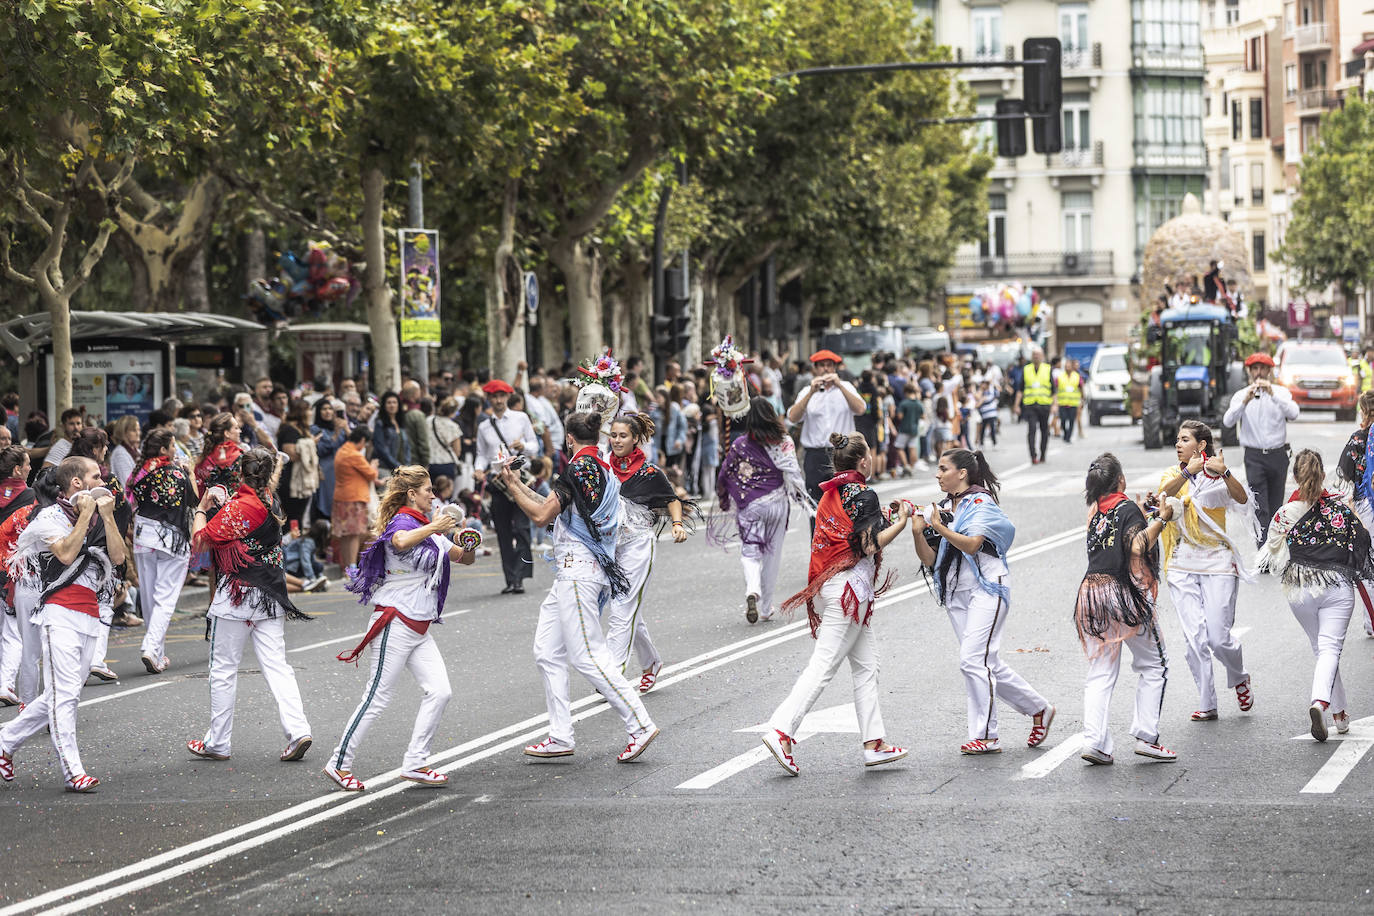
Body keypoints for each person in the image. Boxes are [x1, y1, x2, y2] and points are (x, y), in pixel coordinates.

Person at [497, 411, 659, 763]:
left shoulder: (578, 470)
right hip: (575, 573)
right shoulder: (596, 466)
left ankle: (640, 725)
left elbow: (541, 515)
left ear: (569, 439)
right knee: (546, 651)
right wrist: (516, 482)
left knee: (588, 656)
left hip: (579, 573)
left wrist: (511, 485)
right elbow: (548, 505)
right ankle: (560, 735)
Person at [761, 432, 909, 775]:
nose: (872, 459)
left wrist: (885, 515)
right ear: (863, 462)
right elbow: (869, 544)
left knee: (867, 666)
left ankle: (874, 743)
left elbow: (854, 531)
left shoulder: (830, 493)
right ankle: (782, 729)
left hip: (833, 584)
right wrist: (900, 523)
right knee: (824, 665)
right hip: (849, 589)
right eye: (870, 454)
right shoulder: (864, 494)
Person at [324, 467, 476, 791]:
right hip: (395, 623)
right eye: (427, 490)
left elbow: (463, 558)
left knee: (440, 691)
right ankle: (339, 763)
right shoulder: (404, 524)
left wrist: (469, 540)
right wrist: (437, 526)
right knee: (376, 697)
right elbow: (400, 541)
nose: (433, 496)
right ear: (412, 495)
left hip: (419, 628)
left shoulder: (427, 527)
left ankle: (416, 762)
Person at [914, 448, 1054, 754]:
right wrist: (918, 532)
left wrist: (938, 526)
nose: (937, 474)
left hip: (987, 588)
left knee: (972, 661)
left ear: (961, 473)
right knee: (985, 662)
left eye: (942, 468)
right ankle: (1039, 709)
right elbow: (931, 559)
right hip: (957, 592)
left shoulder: (981, 502)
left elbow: (974, 544)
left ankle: (987, 735)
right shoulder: (942, 507)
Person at [0, 456, 125, 791]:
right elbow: (67, 554)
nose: (105, 479)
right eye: (97, 475)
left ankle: (6, 740)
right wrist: (85, 514)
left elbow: (118, 557)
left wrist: (108, 517)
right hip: (58, 615)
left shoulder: (100, 518)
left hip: (89, 616)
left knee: (60, 693)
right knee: (65, 695)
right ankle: (73, 770)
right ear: (77, 484)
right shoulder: (47, 519)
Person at [187, 447, 313, 763]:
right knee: (277, 665)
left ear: (241, 473)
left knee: (224, 669)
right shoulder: (271, 501)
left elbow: (202, 538)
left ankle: (218, 742)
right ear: (268, 476)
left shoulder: (240, 507)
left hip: (237, 593)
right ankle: (298, 730)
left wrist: (201, 509)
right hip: (271, 592)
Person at [1259, 449, 1372, 742]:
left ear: (1294, 477)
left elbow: (1272, 555)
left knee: (1322, 650)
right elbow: (1362, 540)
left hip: (1300, 590)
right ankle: (1320, 702)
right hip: (1337, 587)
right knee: (1330, 649)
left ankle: (1340, 714)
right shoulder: (1341, 506)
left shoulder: (1284, 514)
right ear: (1323, 475)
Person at [1075, 453, 1178, 765]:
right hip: (1123, 595)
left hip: (1091, 593)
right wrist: (1161, 518)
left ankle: (1095, 742)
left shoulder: (1095, 510)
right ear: (1120, 480)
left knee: (1100, 671)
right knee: (1153, 665)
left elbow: (1121, 534)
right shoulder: (1127, 508)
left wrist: (1144, 515)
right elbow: (1137, 546)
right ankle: (1147, 737)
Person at [1157, 420, 1256, 721]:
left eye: (1184, 439)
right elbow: (1164, 494)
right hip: (1183, 561)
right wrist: (1190, 471)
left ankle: (1239, 676)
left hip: (1217, 561)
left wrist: (1224, 473)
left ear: (1200, 445)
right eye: (1177, 439)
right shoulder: (1176, 474)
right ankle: (1207, 702)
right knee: (1194, 637)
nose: (1177, 444)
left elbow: (1242, 498)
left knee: (1217, 637)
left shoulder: (1217, 476)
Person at [603, 414, 690, 694]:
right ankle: (651, 662)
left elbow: (672, 500)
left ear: (636, 439)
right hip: (608, 546)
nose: (617, 440)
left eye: (623, 436)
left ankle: (612, 676)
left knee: (622, 608)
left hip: (638, 544)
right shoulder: (602, 467)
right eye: (613, 435)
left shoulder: (650, 473)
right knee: (629, 609)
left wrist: (677, 525)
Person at [710, 398, 813, 624]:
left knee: (750, 551)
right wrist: (802, 499)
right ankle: (766, 608)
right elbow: (793, 473)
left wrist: (724, 497)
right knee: (772, 556)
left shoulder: (739, 444)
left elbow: (725, 473)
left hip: (751, 506)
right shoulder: (784, 441)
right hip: (777, 503)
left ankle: (752, 589)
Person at [126, 428, 194, 674]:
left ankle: (157, 653)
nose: (176, 450)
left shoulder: (139, 472)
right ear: (164, 449)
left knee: (149, 595)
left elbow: (129, 502)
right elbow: (193, 501)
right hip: (172, 539)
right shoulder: (176, 472)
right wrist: (190, 474)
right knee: (165, 597)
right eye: (173, 445)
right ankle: (151, 646)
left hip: (144, 537)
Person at [1223, 352, 1299, 543]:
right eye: (1255, 369)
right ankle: (1263, 548)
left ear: (1269, 371)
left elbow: (1294, 413)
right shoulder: (1241, 395)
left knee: (1275, 505)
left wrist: (1273, 395)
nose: (1259, 373)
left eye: (1263, 369)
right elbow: (1228, 421)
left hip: (1278, 454)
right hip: (1254, 456)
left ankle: (1275, 546)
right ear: (1250, 372)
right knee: (1260, 505)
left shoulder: (1281, 392)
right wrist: (1244, 401)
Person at [473, 379, 538, 595]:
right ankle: (510, 578)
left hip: (519, 480)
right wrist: (478, 469)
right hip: (497, 482)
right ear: (489, 399)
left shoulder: (521, 418)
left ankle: (520, 576)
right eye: (494, 397)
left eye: (502, 396)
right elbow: (482, 454)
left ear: (508, 397)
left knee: (521, 528)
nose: (499, 400)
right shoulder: (483, 426)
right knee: (502, 531)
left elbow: (534, 446)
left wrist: (524, 446)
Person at [786, 350, 865, 522]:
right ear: (815, 369)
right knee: (816, 504)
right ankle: (818, 545)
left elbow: (860, 409)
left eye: (829, 366)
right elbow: (792, 418)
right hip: (816, 454)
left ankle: (846, 546)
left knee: (847, 501)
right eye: (821, 366)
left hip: (843, 452)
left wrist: (841, 385)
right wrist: (811, 393)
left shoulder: (847, 388)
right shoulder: (807, 391)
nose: (826, 370)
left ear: (835, 369)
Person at [1336, 389, 1374, 636]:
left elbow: (1345, 470)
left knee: (1370, 561)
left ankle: (1371, 622)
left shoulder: (1359, 438)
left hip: (1367, 505)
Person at [0, 446, 36, 706]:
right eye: (27, 464)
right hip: (11, 570)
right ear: (16, 469)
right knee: (13, 631)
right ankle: (6, 684)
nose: (30, 468)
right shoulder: (30, 497)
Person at [332, 426, 379, 571]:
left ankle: (347, 566)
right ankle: (352, 567)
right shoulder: (354, 455)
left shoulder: (342, 450)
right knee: (354, 533)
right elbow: (371, 474)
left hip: (341, 497)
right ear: (363, 440)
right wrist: (373, 466)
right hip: (354, 498)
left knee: (345, 534)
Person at [276, 399, 318, 531]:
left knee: (297, 516)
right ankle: (289, 546)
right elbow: (291, 455)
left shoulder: (300, 429)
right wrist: (311, 443)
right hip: (290, 480)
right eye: (309, 410)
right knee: (291, 516)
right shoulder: (289, 430)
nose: (311, 413)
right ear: (301, 412)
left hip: (300, 480)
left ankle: (295, 541)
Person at [1013, 347, 1053, 464]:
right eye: (1034, 355)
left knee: (1044, 431)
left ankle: (1043, 454)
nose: (1036, 357)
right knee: (1032, 430)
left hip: (1044, 405)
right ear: (1031, 357)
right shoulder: (1026, 370)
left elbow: (1053, 390)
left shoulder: (1047, 369)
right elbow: (1020, 390)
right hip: (1030, 406)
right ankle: (1033, 455)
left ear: (1042, 356)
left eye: (1038, 355)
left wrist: (1054, 404)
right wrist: (1016, 405)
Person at [311, 398, 348, 522]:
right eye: (324, 409)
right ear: (318, 412)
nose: (327, 412)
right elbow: (320, 450)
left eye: (330, 409)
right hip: (325, 471)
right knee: (326, 501)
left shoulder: (338, 427)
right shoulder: (315, 429)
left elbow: (352, 445)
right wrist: (336, 435)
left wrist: (346, 429)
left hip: (341, 471)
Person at [107, 415, 141, 487]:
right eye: (134, 430)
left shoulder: (137, 451)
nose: (138, 433)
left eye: (138, 430)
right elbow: (127, 484)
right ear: (124, 432)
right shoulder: (120, 453)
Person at [1056, 358, 1083, 444]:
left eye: (1069, 366)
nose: (1067, 368)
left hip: (1073, 403)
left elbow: (1081, 388)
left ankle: (1068, 436)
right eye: (1066, 366)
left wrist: (1082, 399)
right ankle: (1065, 433)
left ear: (1072, 367)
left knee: (1071, 420)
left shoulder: (1077, 376)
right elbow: (1055, 389)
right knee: (1063, 420)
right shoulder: (1060, 377)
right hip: (1062, 402)